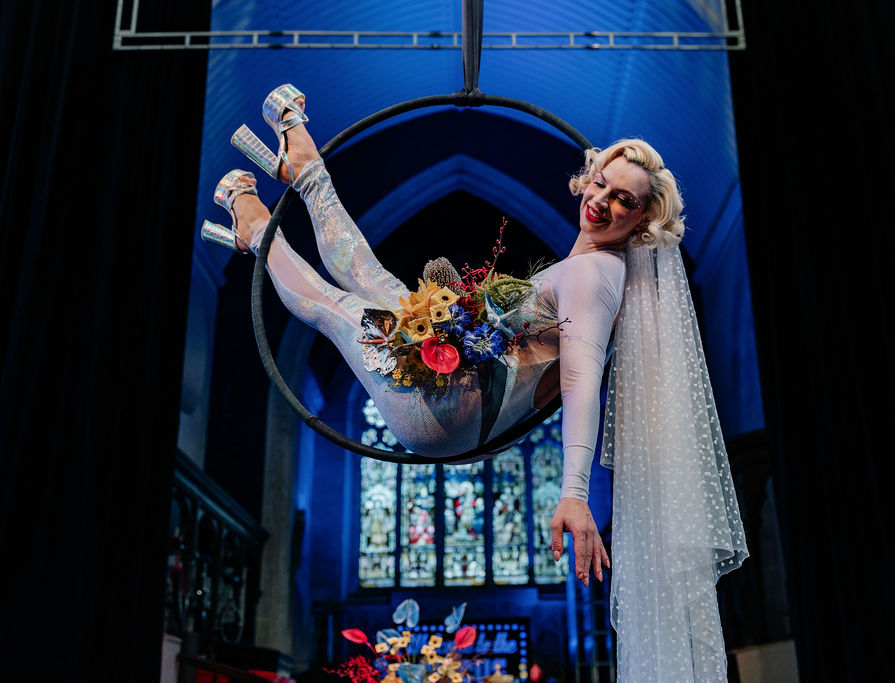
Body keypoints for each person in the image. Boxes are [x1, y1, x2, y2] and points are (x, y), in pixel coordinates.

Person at [203, 84, 747, 681]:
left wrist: (574, 491)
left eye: (623, 200)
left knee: (335, 307)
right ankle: (306, 174)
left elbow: (582, 378)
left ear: (642, 218)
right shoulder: (589, 259)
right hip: (459, 393)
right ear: (586, 177)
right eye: (601, 184)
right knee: (376, 281)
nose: (602, 202)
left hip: (449, 406)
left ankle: (257, 234)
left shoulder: (596, 276)